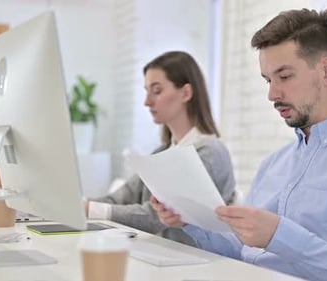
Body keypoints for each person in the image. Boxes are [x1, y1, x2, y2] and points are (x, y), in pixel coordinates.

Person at [152, 8, 327, 281]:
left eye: (284, 77)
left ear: (326, 71)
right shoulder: (273, 164)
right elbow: (246, 251)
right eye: (268, 80)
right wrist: (191, 222)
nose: (272, 93)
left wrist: (281, 236)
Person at [86, 51, 236, 246]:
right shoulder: (161, 153)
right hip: (162, 260)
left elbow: (155, 217)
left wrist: (89, 209)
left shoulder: (211, 152)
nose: (147, 102)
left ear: (186, 93)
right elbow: (118, 199)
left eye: (156, 91)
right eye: (147, 92)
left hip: (195, 266)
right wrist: (78, 205)